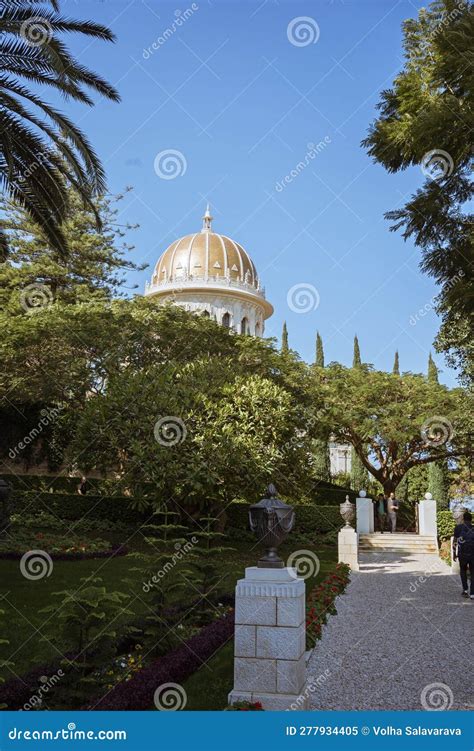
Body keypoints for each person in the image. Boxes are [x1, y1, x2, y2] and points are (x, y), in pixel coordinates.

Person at [453, 511, 474, 599]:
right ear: (471, 519)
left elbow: (455, 542)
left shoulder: (458, 528)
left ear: (463, 518)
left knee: (463, 571)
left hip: (462, 554)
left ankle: (465, 590)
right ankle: (472, 594)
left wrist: (454, 553)